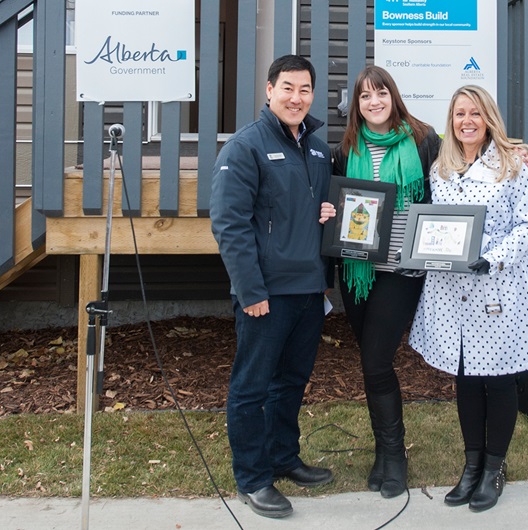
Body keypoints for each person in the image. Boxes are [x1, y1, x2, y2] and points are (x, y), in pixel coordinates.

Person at [319, 68, 528, 499]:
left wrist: (514, 150)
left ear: (394, 96)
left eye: (381, 92)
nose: (374, 101)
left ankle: (396, 456)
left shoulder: (423, 140)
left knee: (379, 360)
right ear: (356, 105)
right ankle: (386, 453)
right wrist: (327, 212)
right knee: (371, 363)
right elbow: (334, 199)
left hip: (405, 271)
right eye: (364, 96)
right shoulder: (344, 149)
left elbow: (468, 163)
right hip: (359, 274)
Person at [408, 85, 528, 513]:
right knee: (466, 376)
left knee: (499, 375)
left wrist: (491, 259)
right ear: (451, 121)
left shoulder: (511, 165)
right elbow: (437, 225)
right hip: (452, 291)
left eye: (475, 113)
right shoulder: (442, 168)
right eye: (459, 114)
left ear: (488, 118)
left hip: (498, 286)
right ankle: (471, 465)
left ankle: (494, 468)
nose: (466, 121)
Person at [210, 54, 333, 519]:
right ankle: (253, 478)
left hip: (309, 290)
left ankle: (283, 458)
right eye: (287, 88)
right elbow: (229, 223)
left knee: (292, 382)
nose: (296, 97)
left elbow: (323, 209)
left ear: (312, 95)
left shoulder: (319, 150)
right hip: (265, 294)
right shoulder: (246, 147)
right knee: (251, 387)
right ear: (268, 90)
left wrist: (330, 214)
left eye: (304, 89)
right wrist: (250, 291)